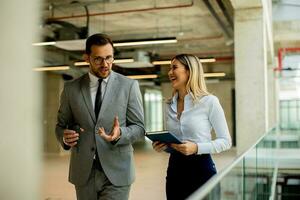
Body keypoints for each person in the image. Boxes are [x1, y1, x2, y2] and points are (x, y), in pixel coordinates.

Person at [55, 33, 145, 200]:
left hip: (118, 171)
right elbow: (60, 126)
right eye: (98, 59)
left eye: (109, 58)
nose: (105, 64)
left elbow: (139, 128)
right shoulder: (71, 89)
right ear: (86, 58)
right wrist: (64, 138)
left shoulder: (129, 86)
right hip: (84, 172)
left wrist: (120, 134)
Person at [152, 54, 232, 200]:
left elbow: (226, 142)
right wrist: (163, 146)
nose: (170, 72)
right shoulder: (169, 105)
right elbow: (174, 142)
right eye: (170, 68)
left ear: (189, 71)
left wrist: (196, 148)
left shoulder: (209, 102)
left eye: (174, 68)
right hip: (175, 171)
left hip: (201, 169)